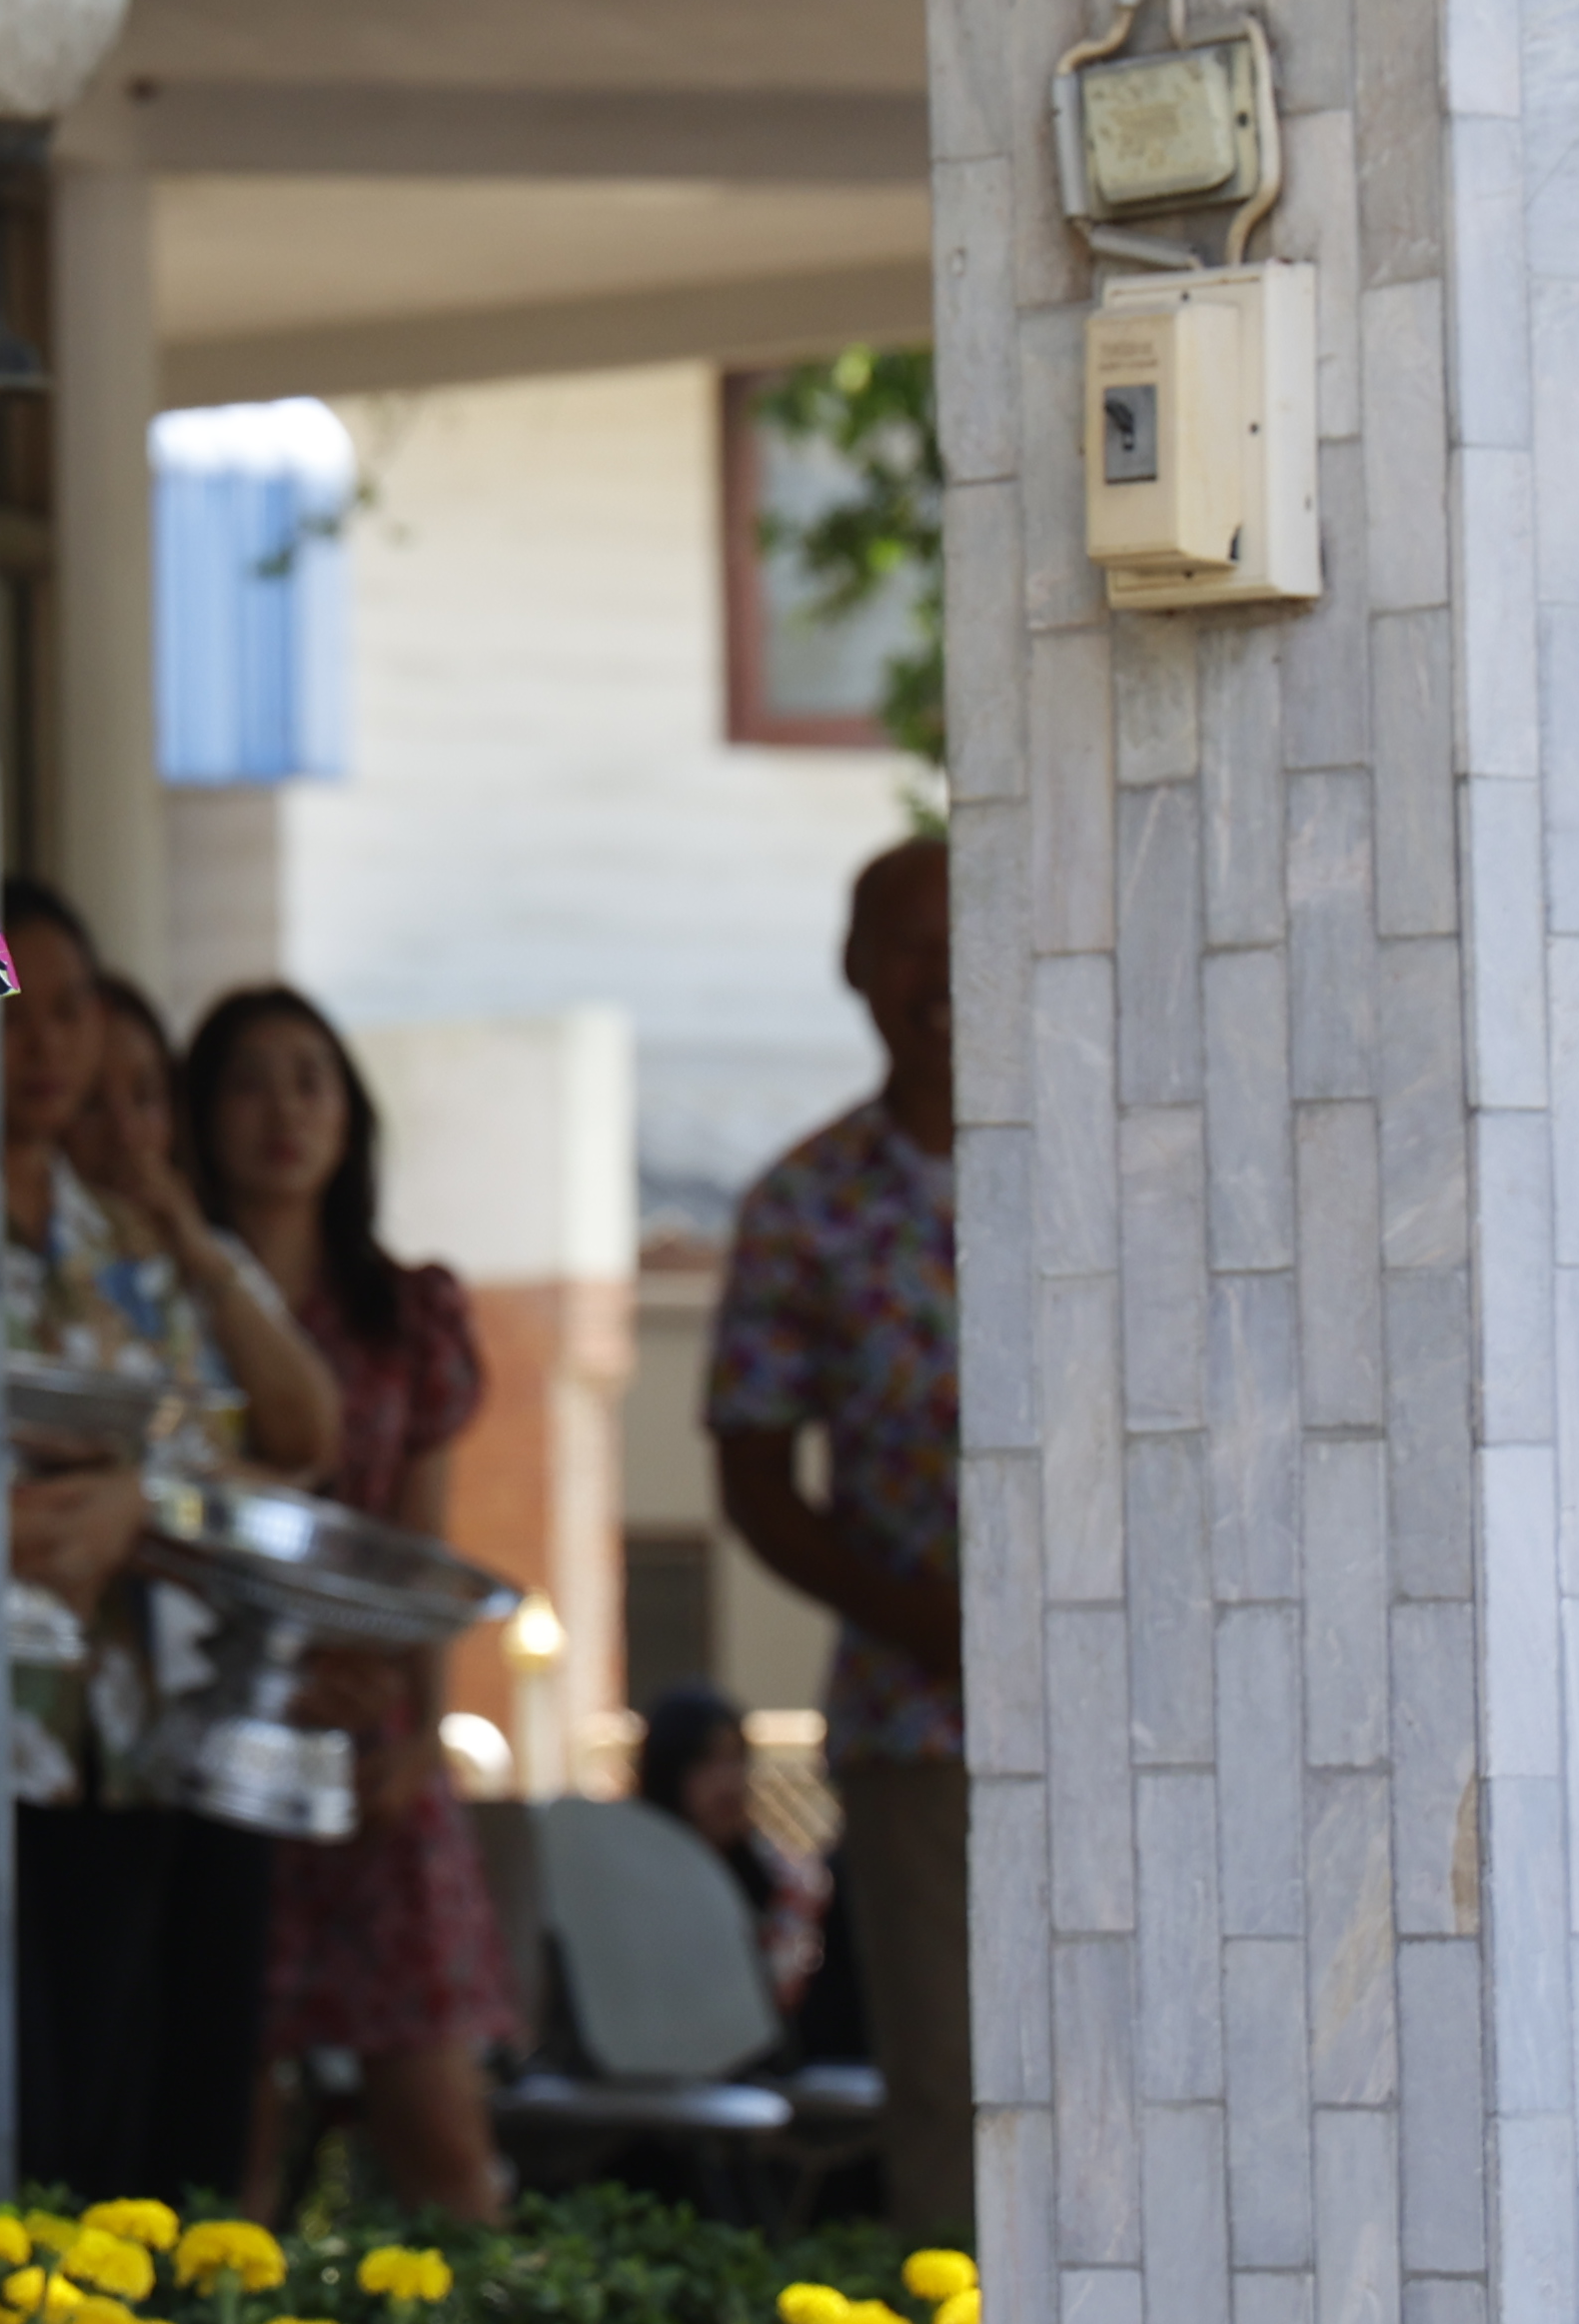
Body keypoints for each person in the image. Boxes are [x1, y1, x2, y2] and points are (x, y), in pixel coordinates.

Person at [0, 902, 340, 2202]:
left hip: (106, 1747)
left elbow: (265, 1447)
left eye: (69, 1011)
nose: (42, 1043)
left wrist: (137, 1503)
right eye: (9, 1009)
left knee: (104, 2141)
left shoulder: (124, 1245)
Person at [183, 979, 514, 2222]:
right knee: (231, 2142)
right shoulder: (165, 1293)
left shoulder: (406, 1312)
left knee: (443, 2136)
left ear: (351, 1117)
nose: (284, 1113)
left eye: (310, 1081)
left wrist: (420, 1730)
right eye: (248, 1083)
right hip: (219, 1734)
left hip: (375, 1739)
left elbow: (421, 1543)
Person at [703, 836, 964, 2239]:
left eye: (966, 931)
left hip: (1141, 1710)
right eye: (910, 941)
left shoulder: (1117, 1154)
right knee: (955, 2083)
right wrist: (921, 1618)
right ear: (857, 967)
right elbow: (752, 1478)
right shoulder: (804, 1205)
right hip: (921, 1719)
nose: (943, 972)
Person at [627, 1679, 827, 2023]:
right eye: (705, 1762)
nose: (728, 1782)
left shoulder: (785, 1886)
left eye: (736, 1760)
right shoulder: (628, 1887)